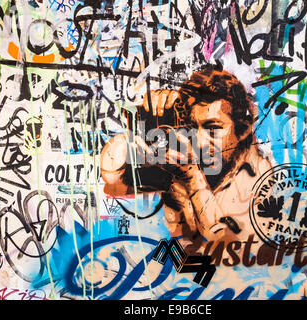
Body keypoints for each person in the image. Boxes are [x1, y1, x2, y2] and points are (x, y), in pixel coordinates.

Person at [100, 66, 271, 252]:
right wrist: (149, 127)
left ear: (243, 129)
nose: (200, 141)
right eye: (190, 127)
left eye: (212, 128)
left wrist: (193, 178)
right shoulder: (184, 157)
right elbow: (112, 176)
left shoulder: (258, 175)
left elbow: (230, 253)